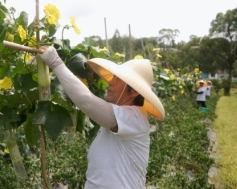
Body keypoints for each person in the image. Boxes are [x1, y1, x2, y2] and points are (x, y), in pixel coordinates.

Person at [37, 46, 165, 189]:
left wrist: (56, 63)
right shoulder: (122, 118)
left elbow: (86, 101)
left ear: (134, 92)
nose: (111, 81)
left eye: (118, 79)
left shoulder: (135, 118)